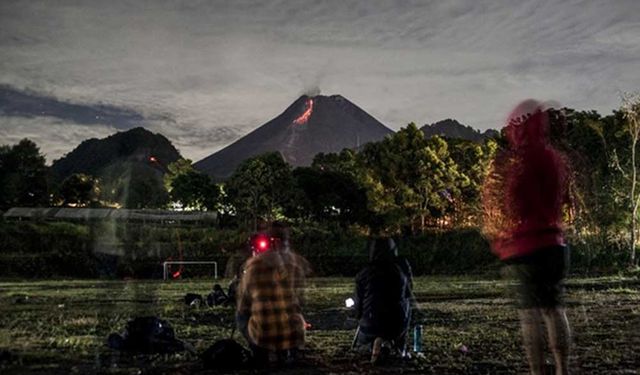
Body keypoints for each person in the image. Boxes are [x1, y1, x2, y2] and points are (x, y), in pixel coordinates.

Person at [482, 99, 572, 375]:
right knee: (554, 308)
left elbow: (513, 202)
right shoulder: (555, 159)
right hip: (555, 244)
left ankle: (537, 371)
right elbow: (566, 198)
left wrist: (501, 234)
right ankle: (562, 369)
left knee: (530, 315)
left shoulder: (519, 162)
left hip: (526, 247)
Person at [236, 222, 310, 366]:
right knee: (292, 310)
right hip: (292, 333)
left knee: (241, 314)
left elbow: (244, 301)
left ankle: (259, 350)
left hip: (264, 333)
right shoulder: (297, 263)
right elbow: (301, 300)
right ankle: (289, 351)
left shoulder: (254, 265)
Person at [353, 237, 413, 364]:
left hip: (370, 324)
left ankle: (373, 346)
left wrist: (359, 317)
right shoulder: (399, 272)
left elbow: (358, 303)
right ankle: (397, 346)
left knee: (364, 340)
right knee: (406, 305)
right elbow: (407, 294)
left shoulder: (364, 273)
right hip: (396, 325)